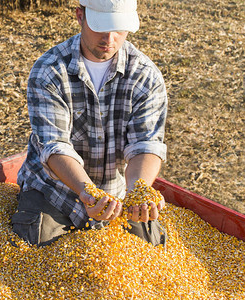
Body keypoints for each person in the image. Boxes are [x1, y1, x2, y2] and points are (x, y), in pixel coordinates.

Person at [12, 0, 168, 247]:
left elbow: (145, 144)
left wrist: (138, 190)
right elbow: (54, 146)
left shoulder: (145, 76)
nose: (110, 38)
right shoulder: (50, 70)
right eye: (101, 27)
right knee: (35, 247)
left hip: (117, 195)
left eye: (119, 29)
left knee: (151, 248)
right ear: (80, 16)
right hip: (55, 190)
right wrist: (86, 192)